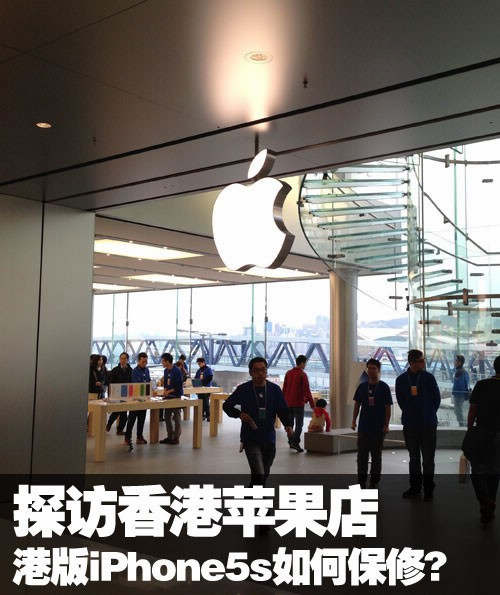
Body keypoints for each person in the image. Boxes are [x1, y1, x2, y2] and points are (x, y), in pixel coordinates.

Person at [223, 357, 293, 487]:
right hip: (250, 437)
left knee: (263, 473)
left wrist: (288, 425)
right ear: (250, 372)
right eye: (256, 370)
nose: (260, 373)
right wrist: (239, 414)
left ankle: (252, 492)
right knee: (259, 473)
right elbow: (227, 406)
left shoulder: (274, 390)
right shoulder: (243, 389)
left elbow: (283, 409)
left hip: (269, 437)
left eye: (263, 370)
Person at [396, 349, 441, 500]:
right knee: (414, 458)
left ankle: (428, 489)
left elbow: (437, 399)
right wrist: (413, 413)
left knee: (428, 459)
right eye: (421, 361)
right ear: (412, 363)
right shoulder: (401, 380)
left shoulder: (429, 378)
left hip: (428, 424)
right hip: (411, 425)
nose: (424, 363)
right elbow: (401, 401)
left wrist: (428, 413)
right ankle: (415, 487)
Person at [466, 355, 500, 525]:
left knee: (477, 471)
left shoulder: (482, 385)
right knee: (494, 471)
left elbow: (472, 410)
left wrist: (469, 430)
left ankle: (484, 501)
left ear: (494, 367)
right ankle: (490, 503)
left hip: (481, 433)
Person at [351, 358, 393, 488]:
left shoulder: (384, 387)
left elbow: (388, 407)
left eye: (374, 368)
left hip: (378, 427)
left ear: (378, 370)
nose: (371, 370)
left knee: (376, 455)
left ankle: (374, 480)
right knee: (362, 455)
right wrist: (353, 420)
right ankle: (361, 479)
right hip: (364, 426)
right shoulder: (362, 386)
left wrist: (386, 424)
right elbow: (357, 405)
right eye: (369, 368)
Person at [282, 355, 315, 453]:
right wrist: (312, 405)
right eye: (305, 363)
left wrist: (283, 402)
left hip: (288, 403)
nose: (305, 365)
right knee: (299, 424)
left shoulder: (288, 373)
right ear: (302, 363)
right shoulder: (302, 375)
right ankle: (295, 443)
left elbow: (284, 388)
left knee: (290, 424)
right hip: (298, 403)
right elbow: (307, 390)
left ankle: (291, 441)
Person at [124, 352, 150, 446]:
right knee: (132, 419)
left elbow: (148, 381)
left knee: (142, 418)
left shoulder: (147, 370)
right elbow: (136, 384)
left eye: (146, 361)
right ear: (138, 361)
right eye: (143, 361)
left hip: (144, 398)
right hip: (135, 399)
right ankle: (127, 438)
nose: (145, 363)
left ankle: (139, 437)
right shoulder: (135, 371)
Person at [159, 352, 184, 445]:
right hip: (168, 397)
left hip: (176, 396)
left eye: (163, 361)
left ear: (167, 361)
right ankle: (170, 436)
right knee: (167, 417)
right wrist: (165, 391)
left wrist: (169, 391)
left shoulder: (177, 371)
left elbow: (178, 386)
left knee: (176, 417)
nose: (162, 363)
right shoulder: (166, 371)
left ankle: (176, 438)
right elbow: (166, 383)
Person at [106, 352, 132, 434]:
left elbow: (131, 382)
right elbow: (110, 382)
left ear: (127, 360)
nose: (123, 360)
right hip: (116, 394)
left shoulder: (130, 370)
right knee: (117, 411)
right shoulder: (115, 370)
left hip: (126, 394)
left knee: (124, 413)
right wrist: (110, 394)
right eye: (121, 358)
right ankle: (109, 424)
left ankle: (120, 430)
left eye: (124, 359)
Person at [452, 355, 470, 427]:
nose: (454, 362)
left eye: (456, 360)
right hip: (459, 395)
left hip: (459, 395)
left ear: (459, 362)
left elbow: (461, 385)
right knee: (458, 410)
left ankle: (462, 425)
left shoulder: (461, 372)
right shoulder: (461, 371)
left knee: (458, 411)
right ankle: (462, 424)